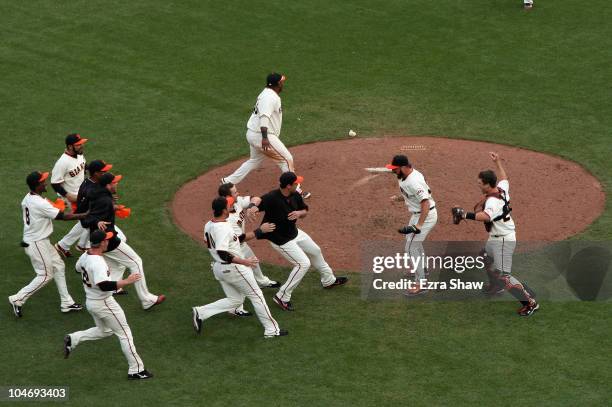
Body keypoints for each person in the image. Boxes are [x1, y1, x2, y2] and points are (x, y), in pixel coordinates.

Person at [452, 152, 539, 316]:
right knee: (485, 256)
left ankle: (530, 303)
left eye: (480, 183)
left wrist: (464, 215)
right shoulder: (501, 188)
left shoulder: (492, 201)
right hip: (496, 237)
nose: (477, 185)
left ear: (487, 185)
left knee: (505, 277)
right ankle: (495, 286)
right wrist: (498, 161)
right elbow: (505, 178)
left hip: (504, 241)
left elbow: (486, 216)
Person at [247, 172, 348, 311]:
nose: (298, 184)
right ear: (288, 186)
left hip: (294, 233)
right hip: (280, 239)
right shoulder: (272, 197)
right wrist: (251, 207)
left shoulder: (295, 195)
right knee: (303, 264)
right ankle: (282, 296)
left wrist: (299, 213)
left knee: (315, 251)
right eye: (296, 183)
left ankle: (328, 280)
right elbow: (258, 200)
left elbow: (304, 210)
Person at [192, 196, 287, 338]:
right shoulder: (222, 228)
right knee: (257, 296)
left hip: (220, 268)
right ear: (224, 210)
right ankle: (272, 330)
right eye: (229, 205)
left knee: (236, 300)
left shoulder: (210, 224)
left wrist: (258, 232)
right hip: (233, 268)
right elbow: (222, 252)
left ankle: (201, 312)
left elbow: (236, 239)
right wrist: (245, 262)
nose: (232, 205)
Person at [64, 230, 153, 380]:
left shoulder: (86, 255)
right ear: (102, 243)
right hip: (104, 303)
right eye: (106, 240)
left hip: (91, 302)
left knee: (104, 331)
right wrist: (126, 281)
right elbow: (104, 285)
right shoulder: (97, 262)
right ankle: (136, 369)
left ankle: (74, 338)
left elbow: (77, 268)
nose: (108, 241)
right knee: (125, 334)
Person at [81, 172, 165, 310]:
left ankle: (112, 288)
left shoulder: (100, 194)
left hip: (101, 239)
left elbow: (89, 215)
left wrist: (113, 208)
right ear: (108, 185)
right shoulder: (103, 200)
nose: (117, 184)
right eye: (115, 182)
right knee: (135, 262)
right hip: (108, 241)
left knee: (118, 264)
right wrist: (97, 221)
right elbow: (86, 220)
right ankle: (147, 300)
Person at [8, 171, 86, 318]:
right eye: (43, 181)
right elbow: (62, 216)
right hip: (36, 243)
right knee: (45, 275)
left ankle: (66, 302)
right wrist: (86, 214)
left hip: (40, 240)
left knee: (59, 266)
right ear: (37, 185)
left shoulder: (29, 198)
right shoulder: (39, 202)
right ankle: (17, 299)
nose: (45, 183)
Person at [221, 73, 310, 199]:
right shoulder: (269, 98)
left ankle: (227, 182)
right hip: (262, 135)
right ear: (278, 84)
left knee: (255, 161)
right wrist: (265, 138)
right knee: (287, 159)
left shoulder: (267, 93)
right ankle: (295, 190)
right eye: (281, 81)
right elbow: (264, 118)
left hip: (253, 134)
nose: (283, 83)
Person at [385, 155, 438, 296]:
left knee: (410, 247)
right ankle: (423, 268)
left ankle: (421, 283)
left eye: (395, 169)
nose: (393, 172)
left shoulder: (414, 181)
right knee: (413, 243)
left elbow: (425, 202)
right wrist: (398, 198)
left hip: (425, 216)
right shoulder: (408, 176)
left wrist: (419, 225)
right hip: (417, 215)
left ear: (403, 167)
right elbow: (413, 194)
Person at [51, 133, 88, 258]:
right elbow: (55, 183)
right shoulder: (62, 162)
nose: (81, 145)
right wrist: (67, 196)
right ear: (70, 146)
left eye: (81, 143)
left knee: (88, 219)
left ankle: (66, 245)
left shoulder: (79, 154)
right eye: (78, 144)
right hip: (73, 197)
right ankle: (77, 245)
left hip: (83, 193)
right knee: (88, 219)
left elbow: (83, 166)